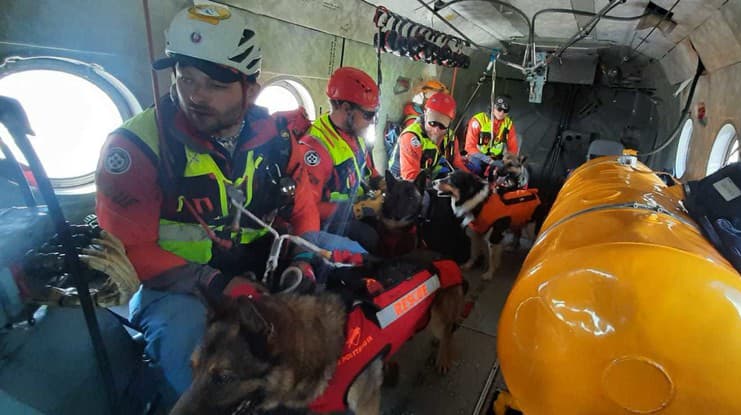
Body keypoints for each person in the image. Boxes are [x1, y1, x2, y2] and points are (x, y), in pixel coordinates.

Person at [94, 4, 363, 406]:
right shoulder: (136, 149)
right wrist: (218, 284)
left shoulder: (276, 136)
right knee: (191, 353)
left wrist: (305, 260)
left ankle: (337, 380)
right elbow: (130, 250)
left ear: (250, 89)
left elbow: (303, 205)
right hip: (178, 287)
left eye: (214, 85)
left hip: (259, 265)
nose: (195, 95)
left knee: (357, 258)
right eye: (185, 78)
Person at [292, 67, 383, 253]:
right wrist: (359, 209)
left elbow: (368, 171)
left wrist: (382, 183)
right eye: (368, 115)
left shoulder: (356, 136)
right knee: (369, 237)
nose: (372, 121)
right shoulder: (316, 148)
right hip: (325, 222)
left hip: (352, 210)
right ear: (346, 108)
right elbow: (309, 208)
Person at [389, 92, 469, 181]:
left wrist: (472, 179)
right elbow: (411, 177)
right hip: (402, 182)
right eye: (432, 123)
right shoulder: (412, 137)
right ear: (425, 114)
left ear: (449, 123)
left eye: (442, 125)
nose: (436, 130)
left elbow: (457, 163)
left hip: (426, 176)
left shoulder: (451, 137)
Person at [464, 95, 520, 175]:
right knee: (475, 168)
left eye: (505, 111)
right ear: (492, 107)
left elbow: (513, 149)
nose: (501, 113)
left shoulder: (508, 124)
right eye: (499, 109)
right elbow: (469, 147)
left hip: (496, 158)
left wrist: (506, 162)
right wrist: (489, 161)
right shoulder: (478, 120)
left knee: (505, 172)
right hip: (477, 156)